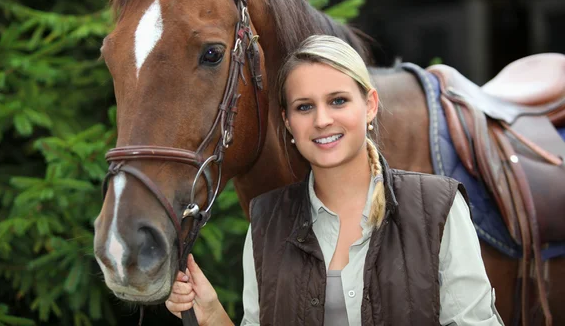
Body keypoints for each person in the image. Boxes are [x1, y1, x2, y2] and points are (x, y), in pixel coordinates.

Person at [165, 35, 504, 325]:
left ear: (369, 105)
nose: (322, 120)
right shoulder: (267, 221)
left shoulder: (437, 207)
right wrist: (212, 314)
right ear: (287, 121)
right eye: (304, 107)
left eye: (338, 101)